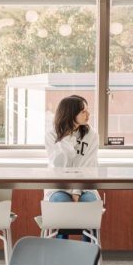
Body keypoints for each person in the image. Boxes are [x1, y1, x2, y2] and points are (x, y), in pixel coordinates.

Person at [44, 95, 100, 239]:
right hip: (58, 188)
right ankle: (62, 258)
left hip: (85, 187)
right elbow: (58, 165)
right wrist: (67, 137)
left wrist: (76, 192)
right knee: (63, 209)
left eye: (88, 110)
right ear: (71, 114)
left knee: (90, 207)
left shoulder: (91, 135)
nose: (88, 115)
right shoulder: (51, 134)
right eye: (83, 112)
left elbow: (88, 166)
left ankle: (88, 256)